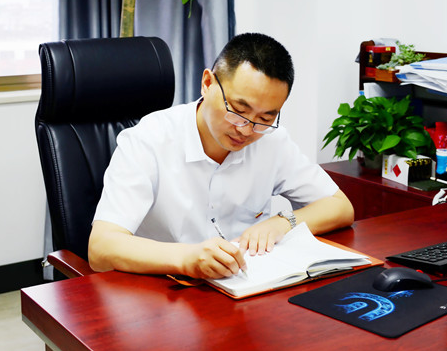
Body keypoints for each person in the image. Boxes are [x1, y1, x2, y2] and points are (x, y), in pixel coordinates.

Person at [88, 33, 354, 279]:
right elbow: (101, 248)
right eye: (238, 110)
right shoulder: (148, 140)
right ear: (207, 83)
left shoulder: (272, 141)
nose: (246, 129)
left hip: (245, 286)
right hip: (165, 289)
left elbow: (340, 206)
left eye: (265, 118)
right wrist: (186, 258)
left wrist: (283, 222)